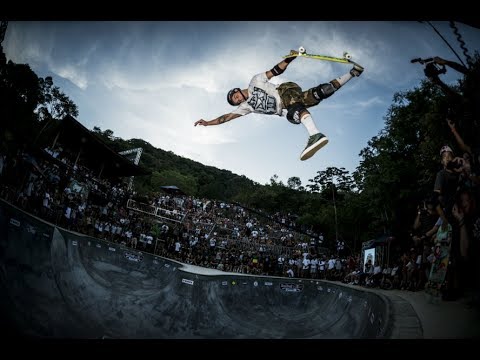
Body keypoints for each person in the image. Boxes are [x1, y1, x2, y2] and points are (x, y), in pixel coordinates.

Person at [194, 49, 364, 161]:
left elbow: (275, 70)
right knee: (322, 92)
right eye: (235, 102)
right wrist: (208, 123)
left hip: (285, 91)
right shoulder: (246, 108)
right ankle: (353, 73)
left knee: (294, 108)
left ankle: (315, 135)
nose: (238, 100)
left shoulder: (255, 81)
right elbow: (226, 118)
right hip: (287, 108)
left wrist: (290, 58)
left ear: (237, 90)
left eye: (236, 97)